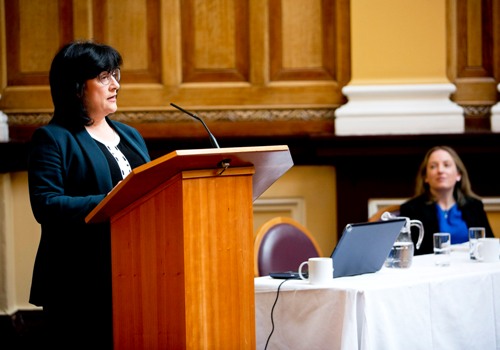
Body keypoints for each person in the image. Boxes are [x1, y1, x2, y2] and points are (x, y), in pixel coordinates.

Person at [27, 40, 151, 348]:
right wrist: (115, 201)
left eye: (116, 74)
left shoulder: (130, 136)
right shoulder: (53, 139)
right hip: (78, 281)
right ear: (77, 86)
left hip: (137, 274)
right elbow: (46, 204)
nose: (115, 84)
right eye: (104, 76)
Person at [400, 145, 494, 256]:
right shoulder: (411, 209)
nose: (440, 170)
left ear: (458, 174)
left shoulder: (474, 206)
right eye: (433, 166)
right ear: (426, 177)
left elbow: (490, 246)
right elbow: (411, 255)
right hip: (434, 270)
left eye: (446, 165)